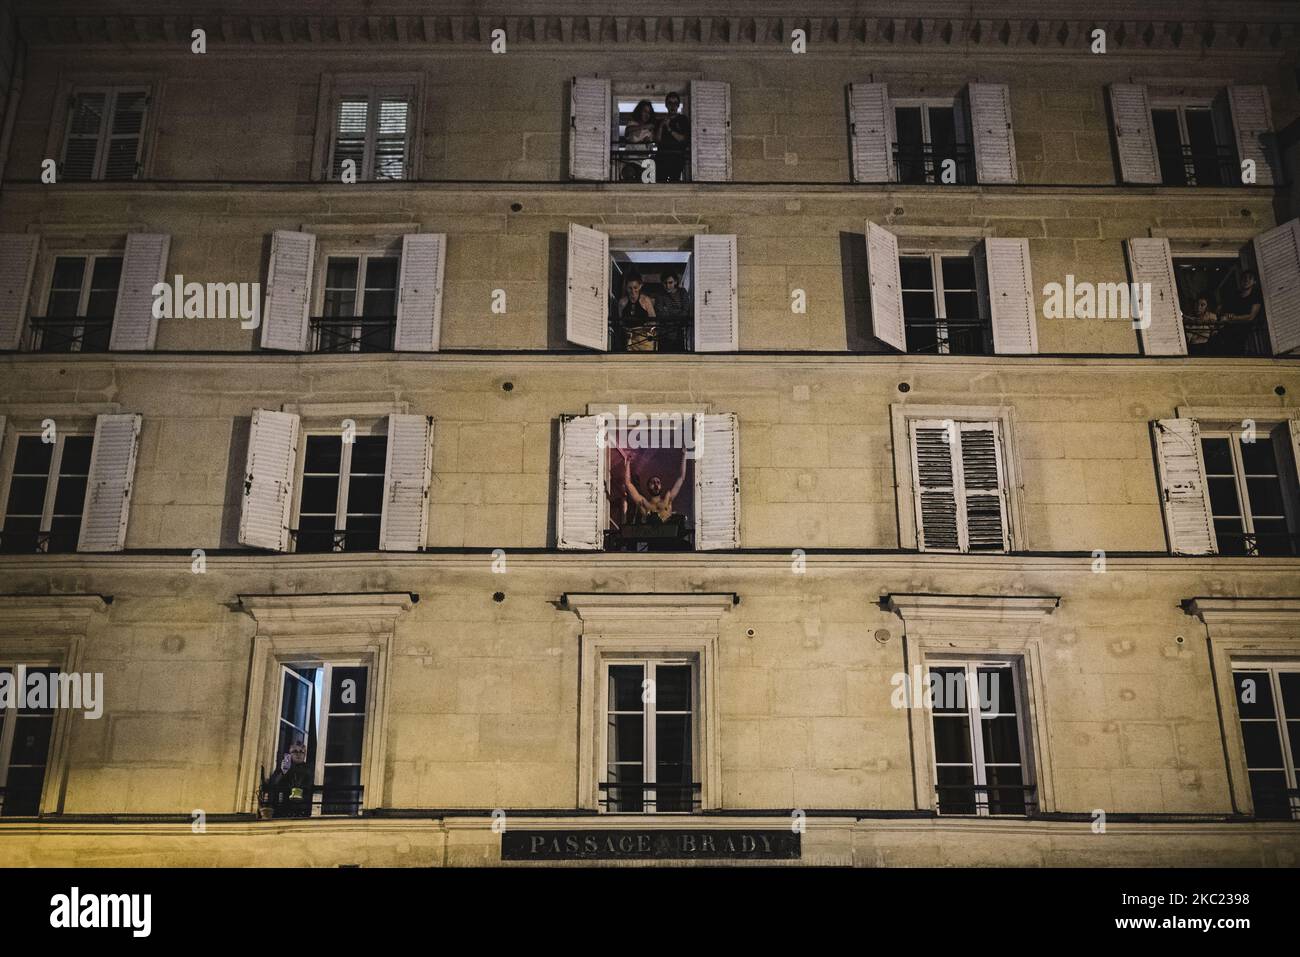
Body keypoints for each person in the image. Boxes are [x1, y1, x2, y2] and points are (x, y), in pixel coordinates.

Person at [615, 446, 688, 525]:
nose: (656, 484)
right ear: (648, 487)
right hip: (650, 535)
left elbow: (681, 478)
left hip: (667, 535)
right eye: (653, 482)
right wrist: (628, 462)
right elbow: (628, 484)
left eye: (658, 482)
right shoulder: (644, 503)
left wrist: (684, 455)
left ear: (661, 486)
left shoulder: (667, 499)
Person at [1212, 270, 1265, 355]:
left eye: (1250, 278)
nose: (1246, 280)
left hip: (1245, 331)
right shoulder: (1235, 295)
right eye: (1244, 278)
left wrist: (1233, 318)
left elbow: (1250, 317)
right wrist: (1225, 315)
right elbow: (1223, 311)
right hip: (1230, 330)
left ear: (1254, 282)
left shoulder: (1255, 296)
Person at [262, 740, 313, 818]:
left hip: (303, 808)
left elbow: (310, 786)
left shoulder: (309, 769)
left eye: (301, 752)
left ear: (305, 754)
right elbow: (273, 784)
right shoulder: (283, 767)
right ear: (290, 754)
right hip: (283, 807)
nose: (298, 754)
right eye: (295, 751)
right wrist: (283, 772)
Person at [615, 275, 657, 351]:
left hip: (644, 339)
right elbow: (621, 323)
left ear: (640, 286)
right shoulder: (622, 302)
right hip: (629, 339)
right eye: (630, 288)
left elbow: (653, 320)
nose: (633, 291)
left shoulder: (645, 300)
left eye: (635, 288)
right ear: (626, 287)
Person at [653, 271, 692, 351]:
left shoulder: (682, 292)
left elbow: (685, 310)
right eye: (665, 283)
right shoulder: (660, 295)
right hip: (664, 333)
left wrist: (669, 311)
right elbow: (660, 313)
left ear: (676, 282)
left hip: (680, 332)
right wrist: (677, 312)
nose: (668, 286)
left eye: (670, 282)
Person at [656, 91, 690, 182]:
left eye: (675, 103)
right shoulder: (661, 121)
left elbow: (683, 139)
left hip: (676, 158)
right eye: (670, 103)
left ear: (678, 105)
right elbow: (657, 141)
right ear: (666, 105)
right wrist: (661, 126)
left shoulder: (683, 120)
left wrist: (668, 128)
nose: (673, 106)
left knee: (674, 183)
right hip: (662, 158)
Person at [620, 100, 657, 182]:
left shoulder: (649, 131)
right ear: (639, 111)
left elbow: (650, 147)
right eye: (645, 111)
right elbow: (628, 131)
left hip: (643, 165)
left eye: (649, 113)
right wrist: (645, 126)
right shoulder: (632, 124)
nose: (647, 114)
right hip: (630, 162)